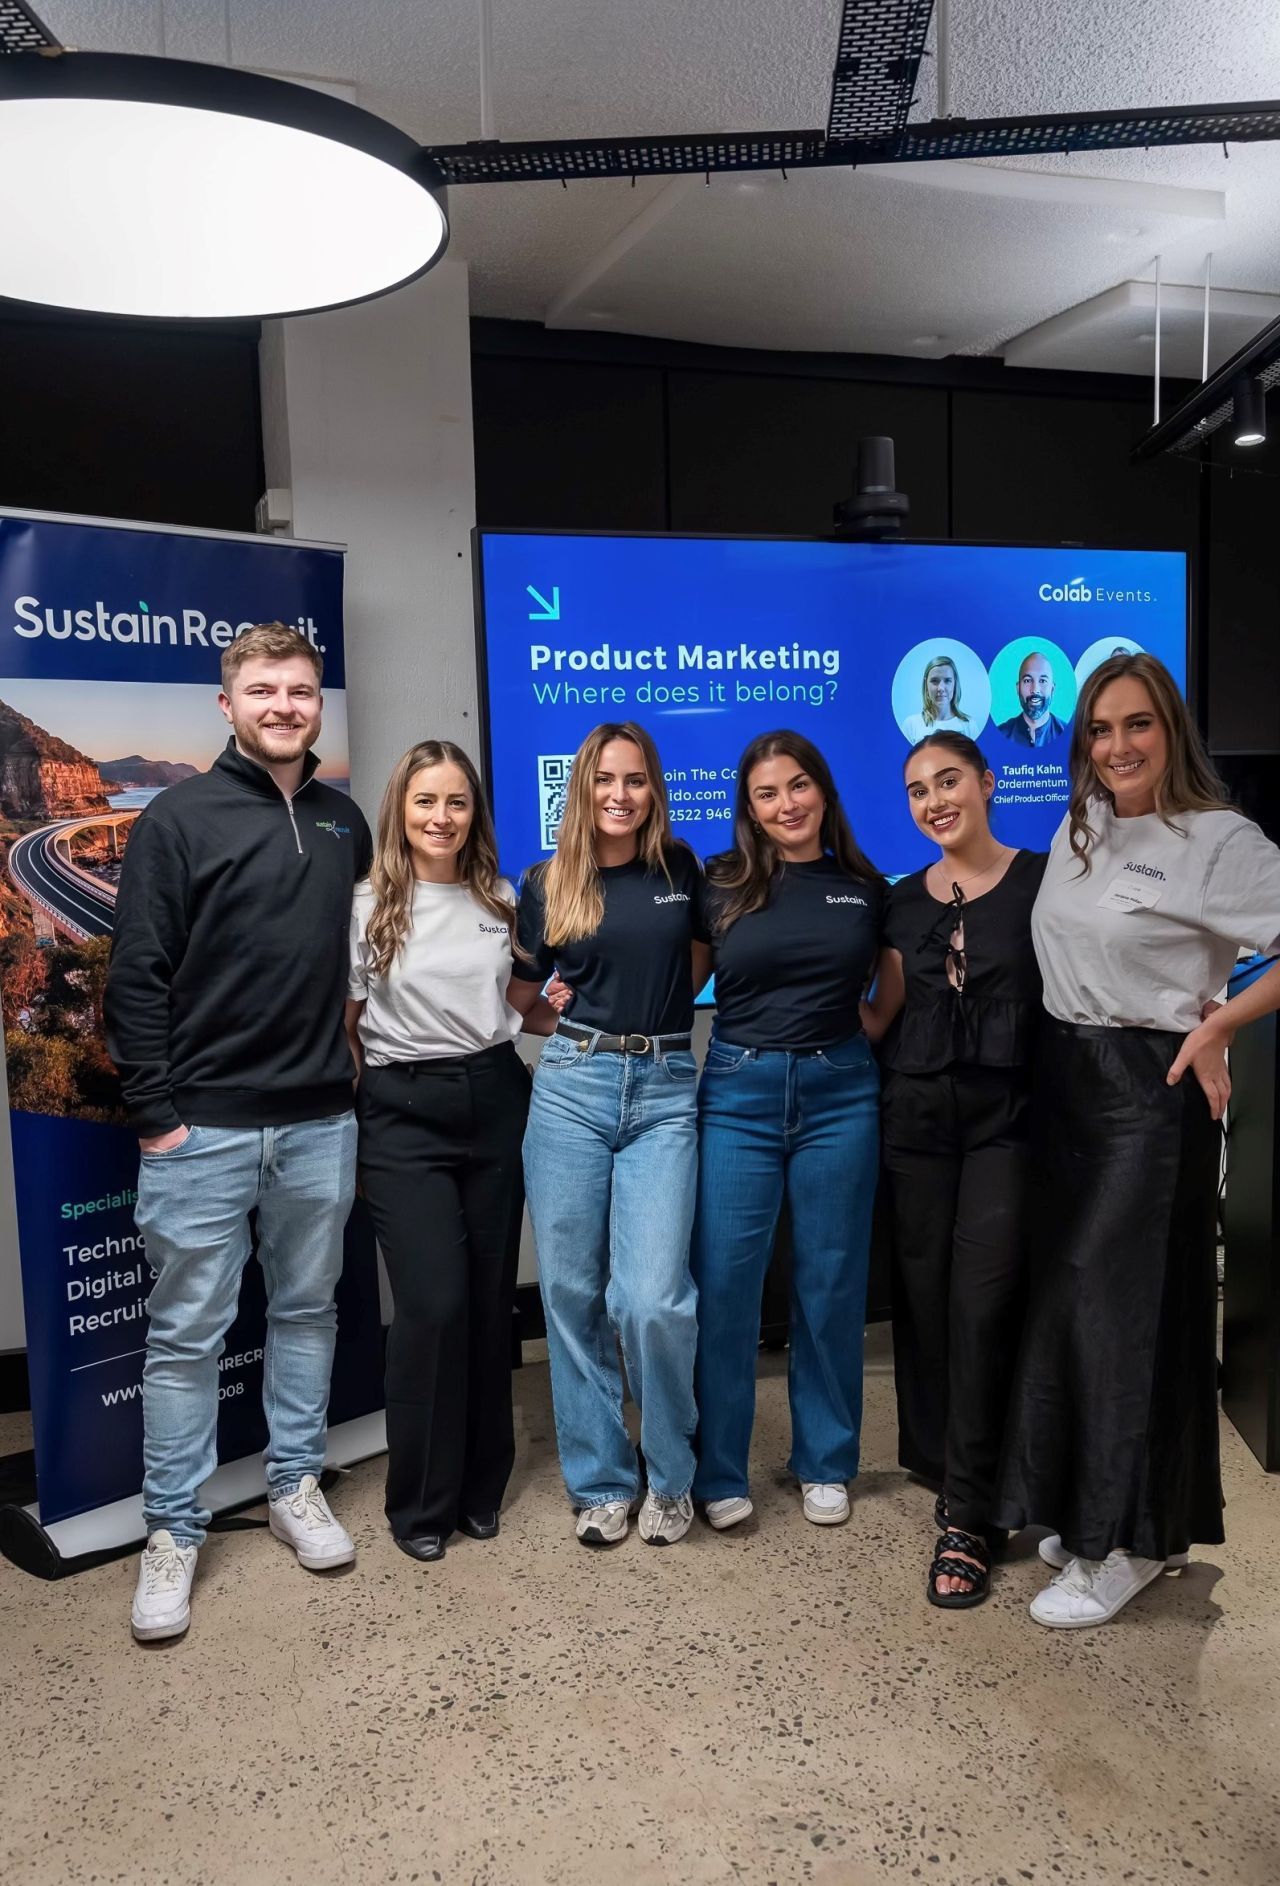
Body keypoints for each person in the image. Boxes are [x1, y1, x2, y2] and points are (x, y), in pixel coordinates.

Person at [996, 652, 1280, 1628]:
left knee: (1122, 1318)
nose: (1116, 745)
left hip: (1146, 1098)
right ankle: (1108, 1513)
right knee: (1074, 1306)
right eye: (1100, 728)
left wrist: (1215, 1025)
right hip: (1065, 1085)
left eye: (1136, 724)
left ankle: (1117, 1543)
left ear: (1171, 730)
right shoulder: (1080, 826)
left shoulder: (1217, 837)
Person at [104, 621, 372, 1643]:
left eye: (300, 690)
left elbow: (360, 965)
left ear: (317, 702)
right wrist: (159, 1120)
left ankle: (293, 1484)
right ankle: (171, 1531)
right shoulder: (175, 817)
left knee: (305, 1314)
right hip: (203, 1131)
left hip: (315, 1122)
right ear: (228, 703)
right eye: (262, 689)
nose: (283, 705)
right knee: (184, 1339)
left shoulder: (346, 818)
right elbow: (134, 977)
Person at [345, 742, 557, 1565]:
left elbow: (517, 1011)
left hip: (497, 1099)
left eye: (458, 802)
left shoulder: (502, 898)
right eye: (426, 801)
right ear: (401, 808)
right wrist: (363, 1121)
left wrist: (560, 1006)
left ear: (476, 813)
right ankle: (420, 1500)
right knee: (432, 1304)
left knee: (485, 1298)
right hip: (401, 1113)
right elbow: (349, 1030)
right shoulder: (367, 904)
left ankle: (480, 1485)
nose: (442, 818)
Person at [514, 722, 710, 1548]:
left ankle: (670, 1474)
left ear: (652, 789)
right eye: (605, 780)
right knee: (571, 1294)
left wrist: (647, 1025)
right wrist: (568, 1023)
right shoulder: (547, 881)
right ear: (583, 788)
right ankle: (601, 1480)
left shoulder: (681, 868)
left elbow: (695, 966)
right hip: (571, 1089)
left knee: (653, 1300)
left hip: (664, 1089)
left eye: (635, 781)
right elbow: (523, 1000)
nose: (620, 796)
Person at [692, 732, 892, 1531]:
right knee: (726, 1289)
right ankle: (718, 1470)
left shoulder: (864, 886)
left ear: (823, 790)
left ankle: (825, 1461)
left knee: (832, 1282)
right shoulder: (719, 884)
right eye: (767, 794)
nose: (786, 805)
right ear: (748, 807)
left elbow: (882, 1007)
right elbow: (679, 987)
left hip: (840, 1094)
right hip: (738, 1093)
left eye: (799, 786)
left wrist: (835, 1054)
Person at [874, 732, 1046, 1607]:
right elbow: (888, 1014)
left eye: (948, 781)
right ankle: (949, 1464)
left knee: (984, 1304)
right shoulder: (903, 901)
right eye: (916, 790)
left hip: (1006, 1127)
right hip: (915, 1124)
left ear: (986, 781)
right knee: (930, 1299)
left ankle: (971, 1519)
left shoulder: (1046, 880)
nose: (934, 800)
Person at [995, 650, 1066, 748]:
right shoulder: (1000, 734)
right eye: (1027, 680)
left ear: (1052, 689)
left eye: (1042, 681)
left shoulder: (1069, 736)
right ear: (1018, 688)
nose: (1035, 690)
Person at [902, 654, 973, 744]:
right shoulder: (911, 725)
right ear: (926, 684)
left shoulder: (969, 724)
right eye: (935, 681)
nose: (941, 688)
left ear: (955, 683)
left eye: (947, 681)